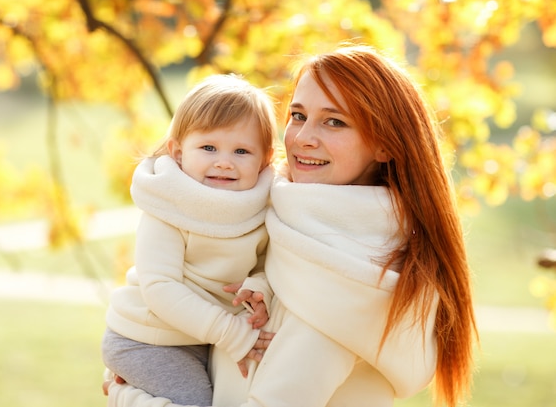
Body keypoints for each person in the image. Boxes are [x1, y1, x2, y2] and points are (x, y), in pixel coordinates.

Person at [105, 43, 478, 407]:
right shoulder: (297, 230)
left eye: (334, 121)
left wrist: (129, 398)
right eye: (298, 116)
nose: (302, 139)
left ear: (383, 145)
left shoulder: (347, 279)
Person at [101, 74, 278, 406]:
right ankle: (124, 397)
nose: (224, 161)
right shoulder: (168, 207)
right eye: (208, 147)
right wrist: (230, 332)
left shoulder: (262, 205)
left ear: (265, 159)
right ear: (178, 152)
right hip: (147, 338)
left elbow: (271, 264)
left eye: (241, 150)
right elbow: (160, 287)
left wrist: (261, 285)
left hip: (202, 339)